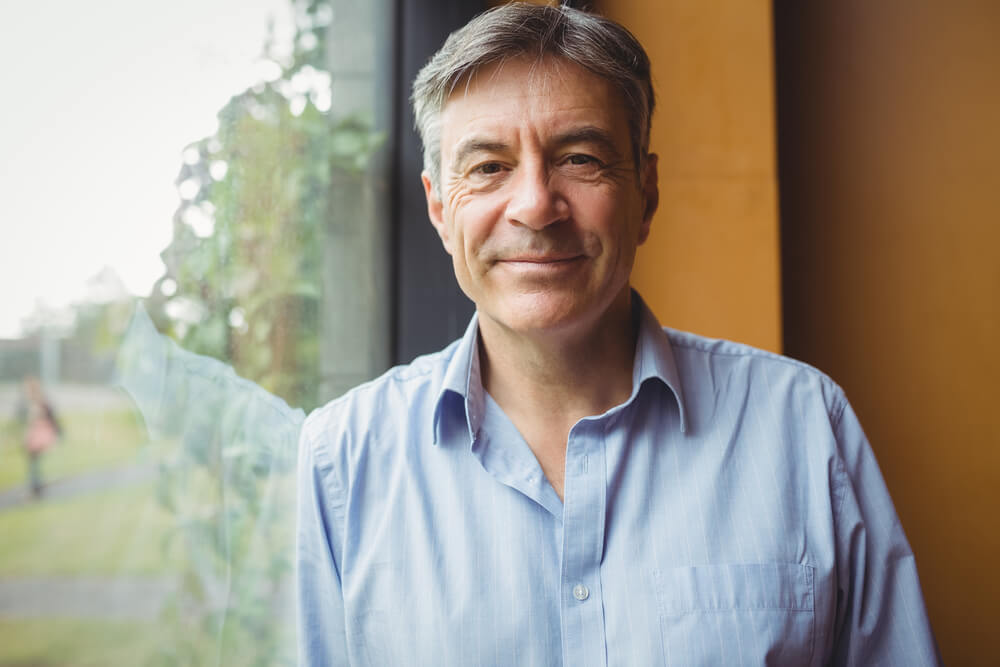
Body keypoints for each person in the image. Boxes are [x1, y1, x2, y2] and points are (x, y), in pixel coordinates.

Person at [296, 4, 940, 665]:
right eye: (488, 166)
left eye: (580, 158)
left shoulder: (805, 427)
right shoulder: (341, 460)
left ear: (647, 194)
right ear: (439, 206)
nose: (535, 206)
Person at [18, 376, 61, 498]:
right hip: (36, 436)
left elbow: (50, 419)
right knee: (34, 463)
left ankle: (36, 488)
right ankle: (36, 486)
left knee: (34, 463)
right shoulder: (32, 403)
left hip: (40, 436)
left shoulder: (40, 403)